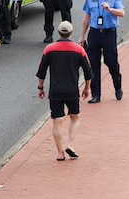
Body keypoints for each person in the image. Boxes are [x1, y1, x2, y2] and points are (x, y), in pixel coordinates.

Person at [36, 20, 93, 162]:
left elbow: (41, 71)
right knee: (74, 117)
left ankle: (60, 153)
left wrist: (41, 88)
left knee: (57, 120)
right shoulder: (79, 50)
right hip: (72, 90)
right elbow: (88, 72)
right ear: (71, 33)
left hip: (55, 91)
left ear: (58, 32)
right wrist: (87, 87)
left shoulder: (49, 49)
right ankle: (70, 145)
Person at [80, 0, 125, 103]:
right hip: (94, 33)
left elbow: (122, 13)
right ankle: (96, 95)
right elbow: (87, 17)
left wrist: (110, 9)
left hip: (109, 33)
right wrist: (82, 36)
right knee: (93, 64)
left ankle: (118, 87)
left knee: (111, 62)